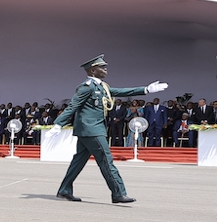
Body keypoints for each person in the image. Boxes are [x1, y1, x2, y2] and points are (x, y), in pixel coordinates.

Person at [51, 54, 166, 203]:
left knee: (78, 161)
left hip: (90, 130)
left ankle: (65, 190)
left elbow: (122, 92)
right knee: (106, 160)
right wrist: (58, 123)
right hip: (91, 129)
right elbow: (73, 105)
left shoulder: (103, 86)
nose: (105, 69)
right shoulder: (86, 87)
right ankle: (118, 193)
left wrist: (146, 90)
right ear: (93, 70)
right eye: (102, 67)